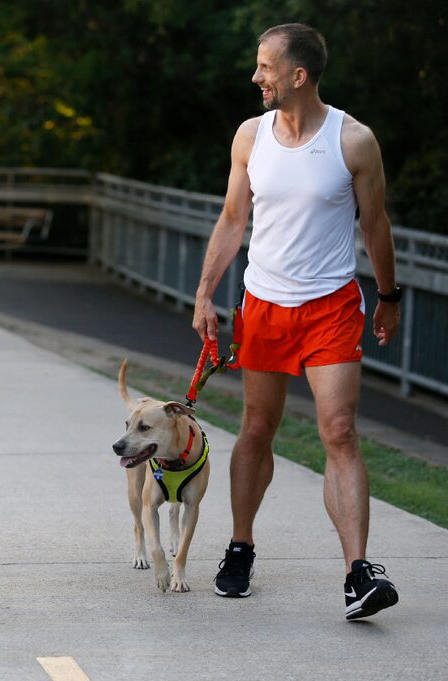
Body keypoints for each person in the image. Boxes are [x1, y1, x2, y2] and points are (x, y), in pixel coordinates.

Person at [192, 24, 400, 620]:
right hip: (262, 305)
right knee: (258, 428)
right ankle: (240, 546)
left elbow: (375, 225)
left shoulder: (353, 141)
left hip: (332, 306)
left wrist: (388, 296)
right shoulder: (249, 137)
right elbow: (234, 219)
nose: (256, 77)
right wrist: (206, 294)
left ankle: (358, 573)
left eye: (265, 67)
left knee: (340, 432)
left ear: (298, 76)